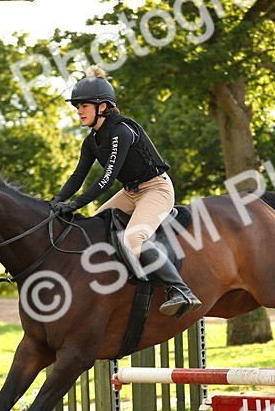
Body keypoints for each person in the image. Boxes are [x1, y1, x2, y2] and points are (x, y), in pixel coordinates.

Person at [50, 66, 202, 317]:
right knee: (94, 228)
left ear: (102, 107)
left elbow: (107, 179)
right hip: (130, 193)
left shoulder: (121, 131)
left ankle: (181, 290)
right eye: (76, 106)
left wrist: (74, 205)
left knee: (133, 239)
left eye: (83, 106)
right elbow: (78, 177)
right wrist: (55, 201)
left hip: (156, 189)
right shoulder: (92, 140)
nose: (78, 111)